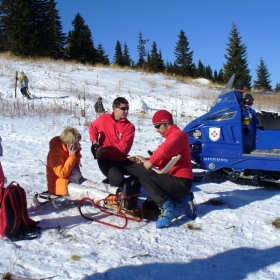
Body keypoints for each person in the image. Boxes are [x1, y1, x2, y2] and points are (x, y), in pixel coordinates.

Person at [127, 109, 196, 228]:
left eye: (158, 126)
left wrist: (151, 162)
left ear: (166, 123)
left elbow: (163, 150)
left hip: (181, 181)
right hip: (174, 181)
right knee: (148, 206)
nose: (156, 129)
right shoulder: (174, 138)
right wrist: (145, 159)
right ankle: (182, 200)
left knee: (144, 176)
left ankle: (167, 207)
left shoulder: (178, 135)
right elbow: (163, 159)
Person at [89, 97, 139, 209]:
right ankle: (113, 191)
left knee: (142, 171)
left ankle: (121, 188)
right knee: (118, 179)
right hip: (105, 159)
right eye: (123, 109)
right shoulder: (103, 119)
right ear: (114, 108)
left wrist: (104, 149)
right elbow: (92, 127)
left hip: (121, 159)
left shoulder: (129, 127)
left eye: (127, 108)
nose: (126, 111)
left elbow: (123, 148)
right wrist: (95, 141)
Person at [46, 127, 120, 203]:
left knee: (95, 185)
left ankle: (117, 192)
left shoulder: (72, 149)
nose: (78, 145)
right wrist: (72, 156)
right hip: (61, 186)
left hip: (76, 179)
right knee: (88, 191)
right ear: (67, 143)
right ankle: (109, 198)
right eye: (75, 143)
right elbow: (62, 173)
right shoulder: (55, 153)